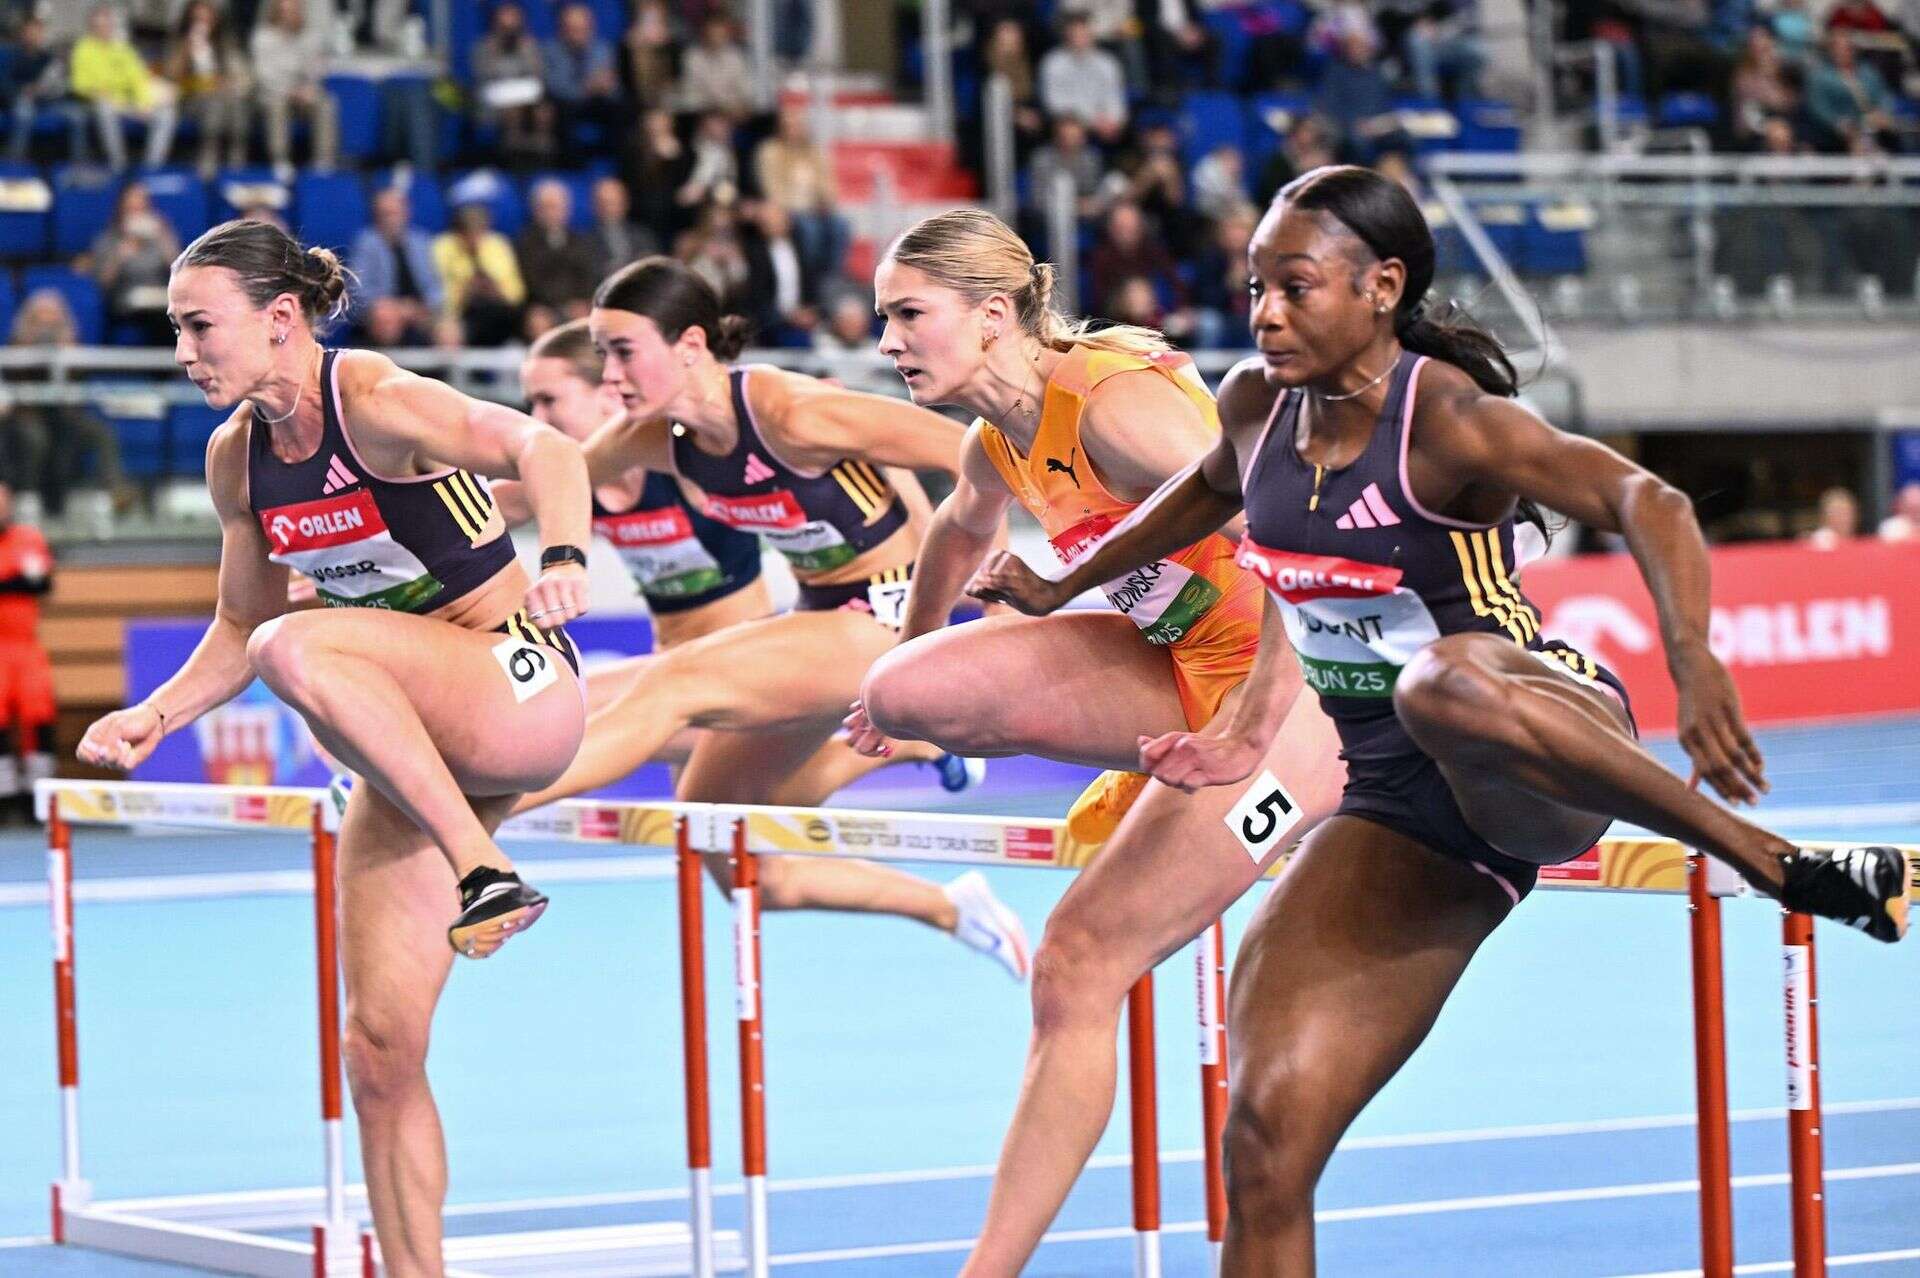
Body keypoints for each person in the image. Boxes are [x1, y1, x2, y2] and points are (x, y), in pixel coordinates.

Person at [958, 165, 1909, 1274]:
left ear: (1381, 286)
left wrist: (1696, 670)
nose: (1263, 311)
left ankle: (1780, 864)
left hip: (1531, 744)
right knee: (1264, 1144)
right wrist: (1062, 581)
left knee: (1439, 685)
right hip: (1402, 808)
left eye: (1295, 287)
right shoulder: (1257, 406)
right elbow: (1205, 492)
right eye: (1255, 285)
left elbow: (1652, 501)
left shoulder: (1447, 423)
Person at [75, 218, 595, 1275]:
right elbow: (235, 627)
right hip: (408, 739)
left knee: (297, 641)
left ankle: (486, 870)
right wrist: (155, 718)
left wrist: (570, 553)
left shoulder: (378, 400)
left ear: (279, 321)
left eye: (197, 327)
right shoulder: (240, 461)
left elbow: (544, 446)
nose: (183, 353)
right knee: (379, 1053)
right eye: (174, 330)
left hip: (513, 682)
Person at [842, 207, 1347, 1274]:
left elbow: (1312, 547)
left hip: (1312, 680)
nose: (885, 341)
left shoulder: (1113, 411)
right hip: (1180, 659)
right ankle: (1193, 809)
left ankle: (1283, 805)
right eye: (882, 317)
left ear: (991, 317)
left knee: (1075, 964)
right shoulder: (998, 440)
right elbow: (961, 526)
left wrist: (1250, 728)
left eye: (905, 315)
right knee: (899, 687)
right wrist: (905, 670)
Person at [515, 257, 1031, 979]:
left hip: (885, 615)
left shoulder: (794, 413)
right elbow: (543, 485)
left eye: (623, 352)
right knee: (709, 816)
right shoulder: (650, 438)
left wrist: (989, 603)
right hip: (818, 614)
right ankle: (929, 802)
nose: (610, 378)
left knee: (673, 684)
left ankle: (480, 805)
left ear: (690, 346)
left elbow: (976, 454)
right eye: (601, 357)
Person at [497, 318, 977, 802]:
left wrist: (979, 599)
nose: (535, 417)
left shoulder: (703, 443)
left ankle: (478, 818)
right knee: (725, 825)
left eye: (549, 399)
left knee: (593, 693)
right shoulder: (605, 467)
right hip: (748, 640)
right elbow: (513, 499)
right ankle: (921, 765)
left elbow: (966, 464)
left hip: (765, 647)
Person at [0, 482, 55, 824]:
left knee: (40, 716)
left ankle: (40, 794)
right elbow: (26, 580)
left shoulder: (28, 537)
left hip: (25, 645)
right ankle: (5, 797)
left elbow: (41, 582)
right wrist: (17, 580)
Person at [70, 4, 178, 170]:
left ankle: (151, 167)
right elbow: (79, 84)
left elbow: (138, 78)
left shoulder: (123, 48)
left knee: (167, 114)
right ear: (91, 27)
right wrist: (99, 92)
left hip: (128, 102)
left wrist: (143, 103)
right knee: (104, 107)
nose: (104, 29)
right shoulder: (82, 49)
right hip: (100, 102)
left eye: (107, 25)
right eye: (99, 26)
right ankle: (118, 165)